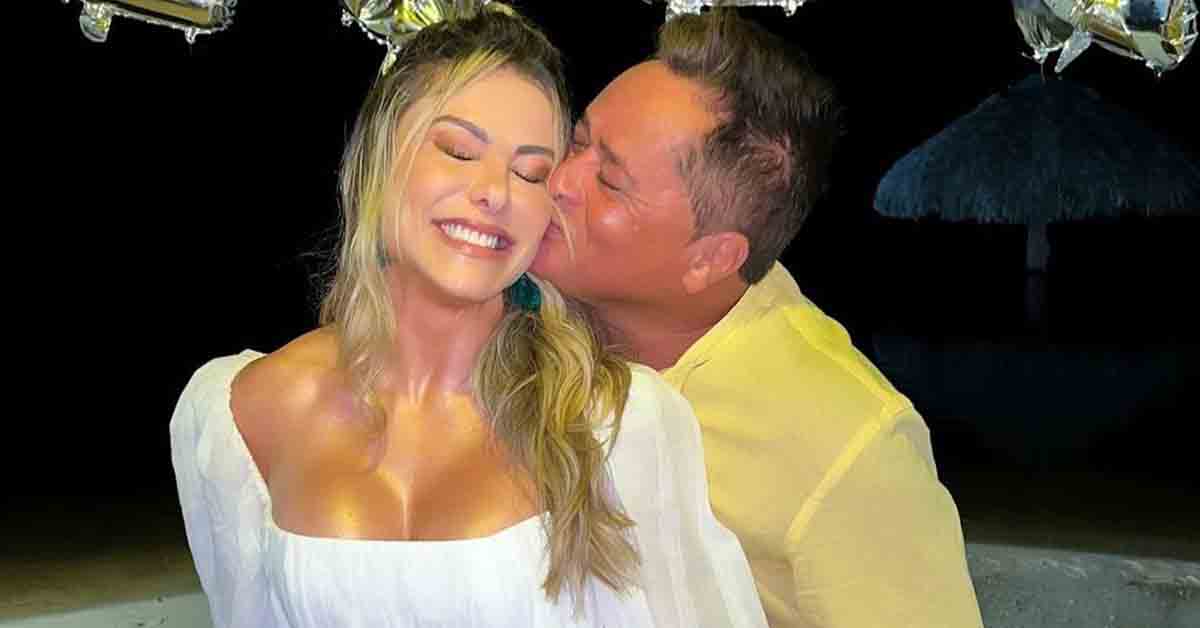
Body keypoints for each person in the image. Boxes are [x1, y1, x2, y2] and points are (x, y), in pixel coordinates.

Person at [169, 3, 767, 627]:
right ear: (379, 157)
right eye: (457, 151)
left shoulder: (617, 424)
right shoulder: (240, 414)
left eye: (530, 173)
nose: (495, 192)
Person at [530, 8, 984, 628]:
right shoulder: (515, 312)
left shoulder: (846, 443)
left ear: (710, 260)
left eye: (609, 181)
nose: (559, 180)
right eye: (578, 140)